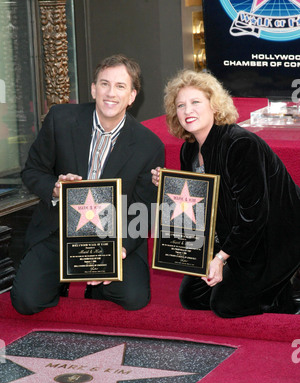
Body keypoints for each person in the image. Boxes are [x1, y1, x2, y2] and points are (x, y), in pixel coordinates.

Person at [11, 54, 165, 315]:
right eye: (104, 84)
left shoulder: (149, 145)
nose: (111, 93)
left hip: (113, 236)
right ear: (93, 89)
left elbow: (144, 205)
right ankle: (63, 278)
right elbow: (33, 171)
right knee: (26, 301)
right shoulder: (60, 119)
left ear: (132, 96)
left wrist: (122, 249)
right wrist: (55, 188)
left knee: (134, 297)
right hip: (59, 231)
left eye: (120, 87)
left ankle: (94, 285)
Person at [152, 69, 300, 318]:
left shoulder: (241, 145)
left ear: (214, 105)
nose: (188, 111)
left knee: (226, 305)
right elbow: (202, 206)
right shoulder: (189, 151)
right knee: (192, 297)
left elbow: (254, 215)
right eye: (181, 105)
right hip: (237, 236)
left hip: (276, 236)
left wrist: (220, 258)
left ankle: (288, 293)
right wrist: (171, 186)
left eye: (196, 102)